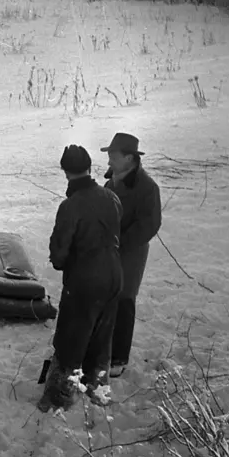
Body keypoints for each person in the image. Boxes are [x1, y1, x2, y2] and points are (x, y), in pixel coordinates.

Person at [37, 145, 123, 412]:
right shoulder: (111, 197)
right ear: (89, 167)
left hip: (85, 281)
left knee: (70, 339)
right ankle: (99, 392)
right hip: (114, 276)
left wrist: (62, 262)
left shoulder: (70, 206)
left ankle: (60, 398)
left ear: (65, 172)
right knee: (101, 337)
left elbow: (60, 250)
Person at [100, 132, 162, 377]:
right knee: (106, 298)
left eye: (113, 156)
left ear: (129, 158)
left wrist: (119, 242)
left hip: (130, 254)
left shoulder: (148, 188)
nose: (108, 161)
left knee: (124, 300)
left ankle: (118, 358)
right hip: (108, 252)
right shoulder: (109, 182)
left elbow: (149, 225)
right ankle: (103, 350)